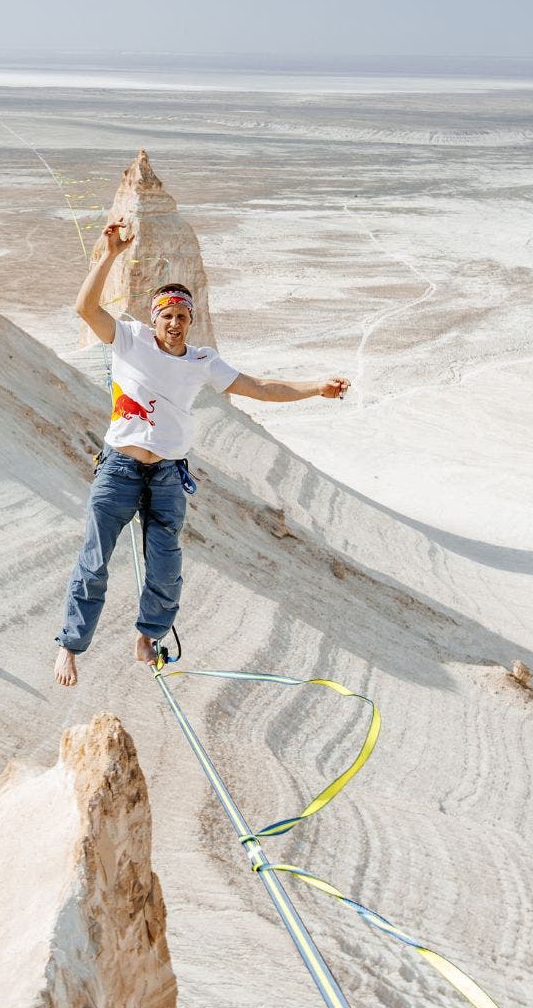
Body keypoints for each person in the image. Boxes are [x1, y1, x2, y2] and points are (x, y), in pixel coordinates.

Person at [53, 219, 351, 687]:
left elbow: (261, 387)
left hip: (168, 475)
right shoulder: (128, 339)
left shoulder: (201, 361)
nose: (175, 323)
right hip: (120, 470)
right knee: (95, 561)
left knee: (167, 567)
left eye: (183, 317)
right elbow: (84, 307)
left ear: (191, 322)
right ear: (155, 318)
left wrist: (317, 387)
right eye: (167, 315)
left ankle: (147, 637)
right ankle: (70, 647)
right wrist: (109, 253)